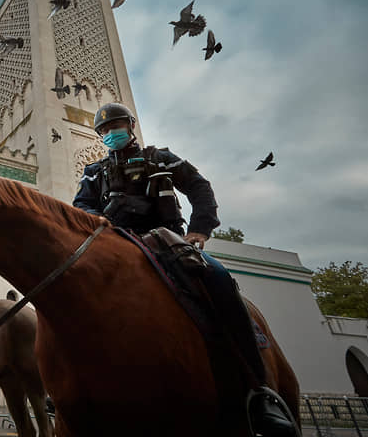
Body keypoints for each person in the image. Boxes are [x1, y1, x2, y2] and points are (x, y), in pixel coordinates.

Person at [73, 103, 295, 437]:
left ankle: (259, 389)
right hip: (116, 244)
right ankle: (70, 383)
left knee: (218, 279)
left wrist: (199, 230)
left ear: (130, 126)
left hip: (166, 241)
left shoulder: (160, 158)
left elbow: (199, 187)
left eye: (116, 126)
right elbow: (81, 207)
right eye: (104, 131)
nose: (110, 134)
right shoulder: (94, 171)